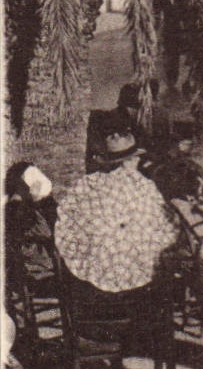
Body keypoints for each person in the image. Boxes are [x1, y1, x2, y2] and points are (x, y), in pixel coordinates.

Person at [52, 115, 179, 297]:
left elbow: (68, 216)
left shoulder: (86, 184)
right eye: (135, 159)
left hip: (98, 260)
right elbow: (162, 219)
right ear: (129, 161)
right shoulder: (140, 184)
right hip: (134, 259)